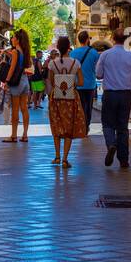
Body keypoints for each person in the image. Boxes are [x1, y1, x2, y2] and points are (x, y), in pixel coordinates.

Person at [96, 30, 131, 168]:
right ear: (126, 39)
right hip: (126, 94)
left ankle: (111, 144)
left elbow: (98, 74)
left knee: (108, 124)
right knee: (123, 127)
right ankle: (124, 160)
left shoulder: (105, 55)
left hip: (110, 94)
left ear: (113, 39)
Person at [46, 36, 86, 166]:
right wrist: (71, 84)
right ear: (69, 47)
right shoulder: (76, 63)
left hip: (56, 98)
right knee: (69, 127)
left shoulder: (52, 63)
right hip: (71, 98)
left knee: (56, 126)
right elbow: (81, 82)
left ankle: (57, 156)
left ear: (58, 48)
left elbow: (51, 82)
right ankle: (64, 159)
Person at [2, 29, 33, 143]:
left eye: (14, 37)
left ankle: (14, 135)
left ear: (18, 40)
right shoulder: (25, 52)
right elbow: (26, 64)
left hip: (16, 83)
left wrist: (6, 81)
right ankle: (25, 135)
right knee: (24, 108)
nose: (12, 39)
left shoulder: (15, 52)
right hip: (25, 81)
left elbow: (12, 68)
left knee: (15, 109)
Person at [69, 30, 100, 133]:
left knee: (80, 106)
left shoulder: (73, 53)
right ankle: (86, 126)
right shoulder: (94, 52)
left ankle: (82, 125)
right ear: (87, 40)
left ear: (79, 40)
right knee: (88, 107)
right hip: (91, 84)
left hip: (78, 84)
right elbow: (98, 68)